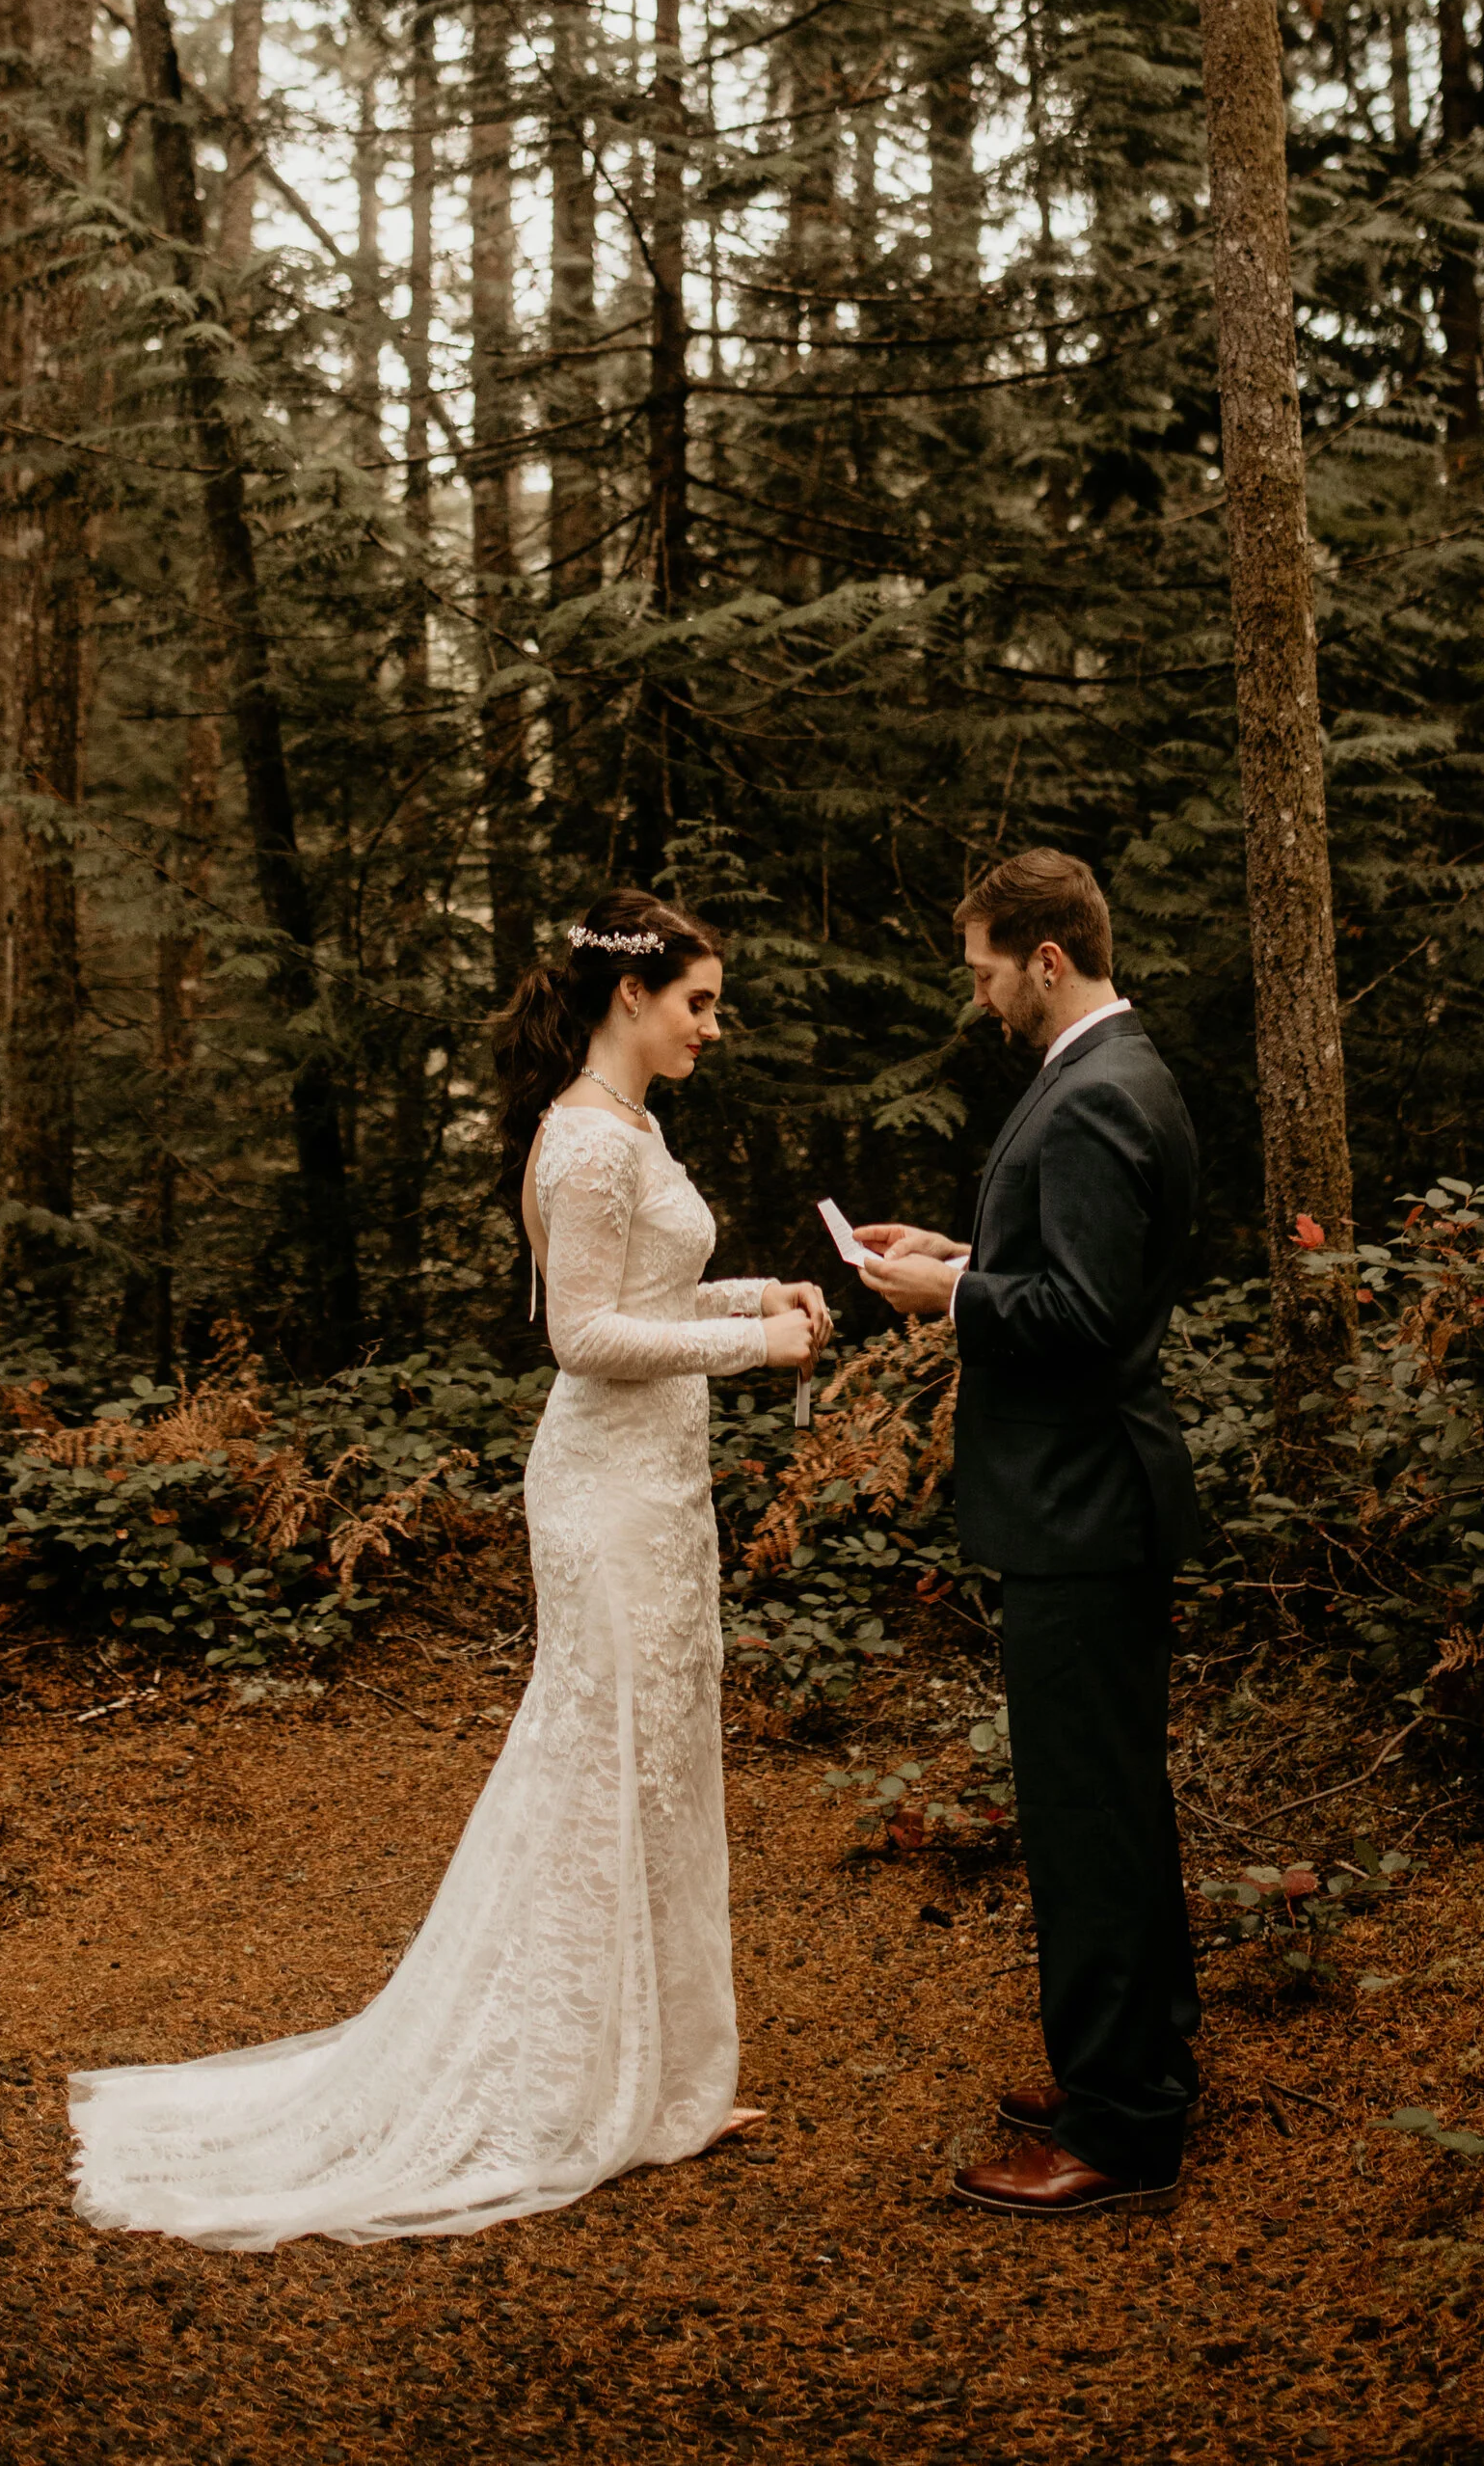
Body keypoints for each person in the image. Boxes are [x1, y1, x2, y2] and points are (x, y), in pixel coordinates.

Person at [67, 888, 830, 2247]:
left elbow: (646, 1301)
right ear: (630, 999)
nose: (717, 1024)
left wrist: (754, 1293)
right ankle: (553, 2091)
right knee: (595, 1762)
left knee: (655, 1763)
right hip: (602, 1489)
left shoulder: (630, 1126)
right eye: (700, 1000)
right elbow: (582, 1336)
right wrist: (752, 1350)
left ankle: (656, 2083)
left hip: (658, 1486)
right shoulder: (586, 1145)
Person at [853, 846, 1201, 2215]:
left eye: (989, 970)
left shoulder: (1100, 1093)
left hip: (1084, 1504)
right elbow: (1068, 1269)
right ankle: (1136, 2066)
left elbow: (1089, 1316)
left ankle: (1120, 2128)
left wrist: (954, 1304)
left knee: (1088, 1814)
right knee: (1110, 1799)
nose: (983, 997)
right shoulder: (1106, 1076)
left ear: (1047, 960)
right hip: (1085, 1499)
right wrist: (959, 1257)